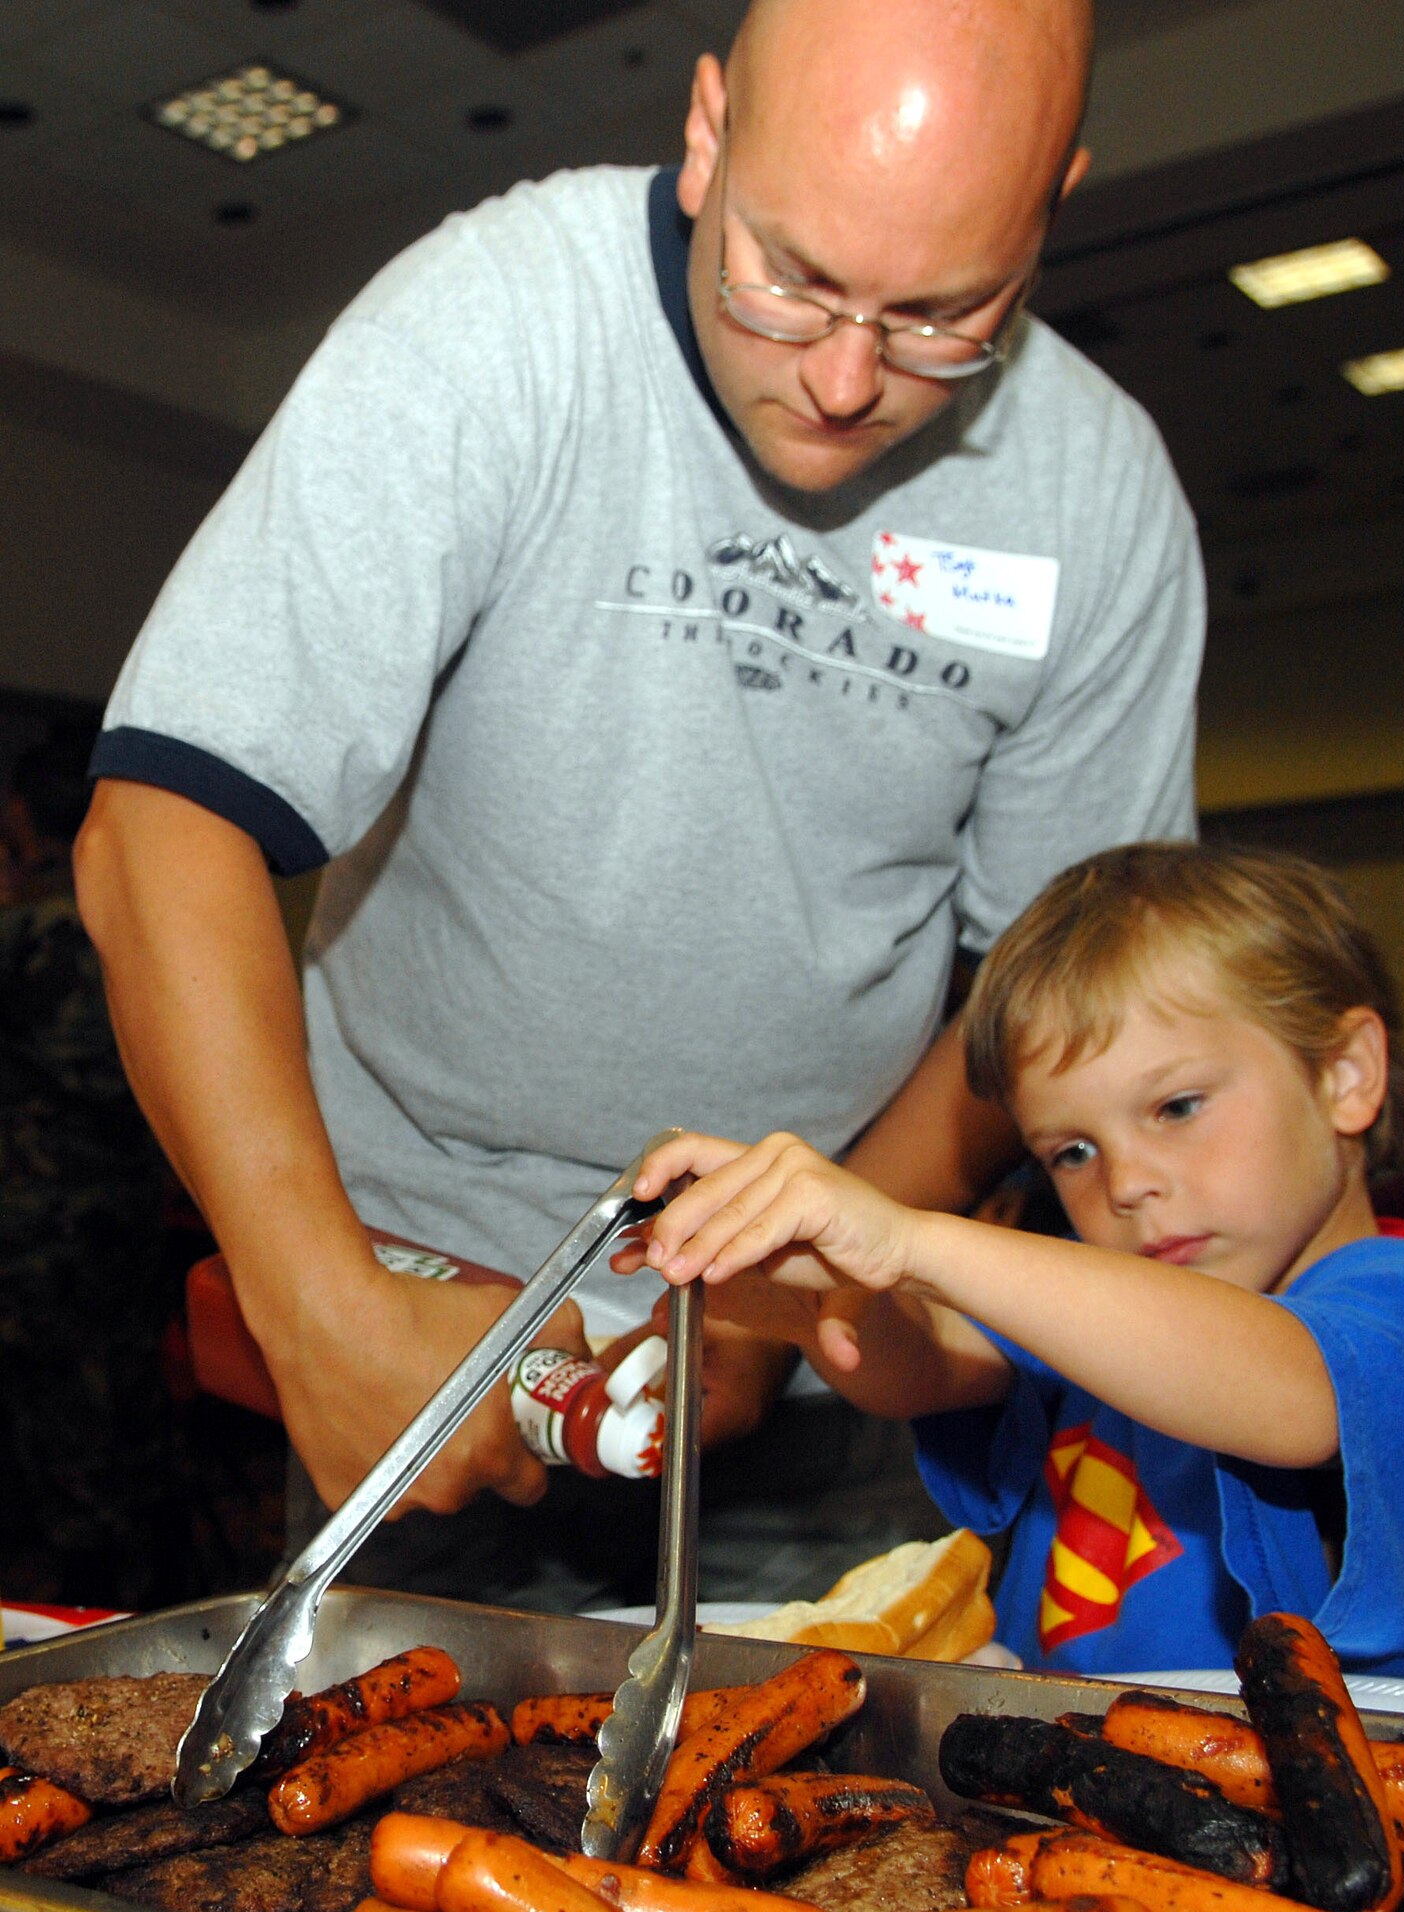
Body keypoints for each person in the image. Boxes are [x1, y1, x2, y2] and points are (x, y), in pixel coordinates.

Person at [73, 0, 1203, 1608]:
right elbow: (161, 828)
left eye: (944, 315)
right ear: (706, 131)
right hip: (427, 1291)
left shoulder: (1099, 491)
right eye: (789, 277)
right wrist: (315, 1293)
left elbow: (1052, 1007)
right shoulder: (500, 320)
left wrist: (788, 1280)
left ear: (1054, 208)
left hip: (826, 1362)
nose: (842, 377)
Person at [627, 844, 1404, 1679]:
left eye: (1177, 1106)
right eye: (1072, 1151)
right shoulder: (1104, 1290)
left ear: (1346, 1075)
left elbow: (1294, 1394)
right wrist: (812, 1293)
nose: (1126, 1182)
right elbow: (926, 1361)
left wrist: (912, 1239)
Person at [1, 723, 178, 1608]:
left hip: (35, 1239)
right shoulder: (147, 931)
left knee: (64, 1444)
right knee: (127, 1424)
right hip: (128, 1223)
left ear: (24, 818)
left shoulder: (23, 939)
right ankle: (147, 1603)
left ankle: (80, 1621)